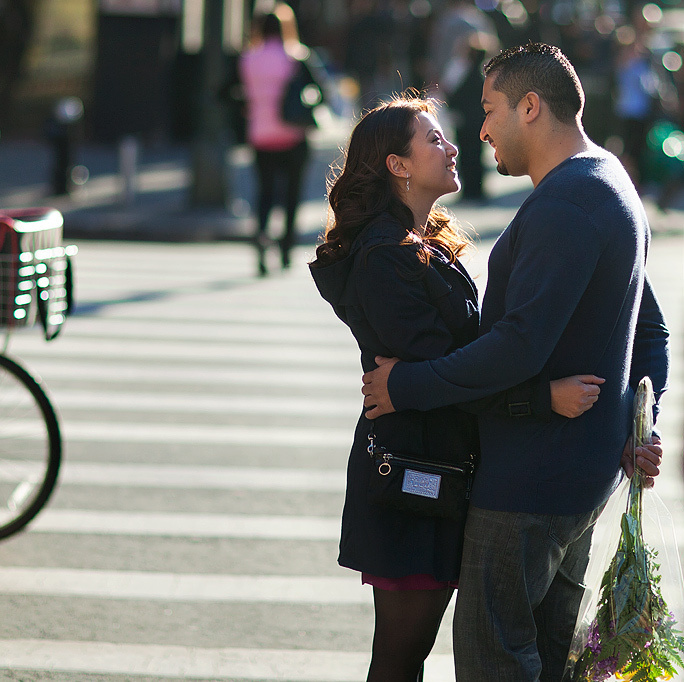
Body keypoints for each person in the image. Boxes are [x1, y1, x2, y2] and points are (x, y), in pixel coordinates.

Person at [360, 44, 669, 681]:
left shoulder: (565, 205)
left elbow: (516, 347)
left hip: (527, 488)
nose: (481, 130)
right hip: (575, 478)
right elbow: (652, 333)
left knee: (492, 662)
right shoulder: (606, 177)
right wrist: (639, 423)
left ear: (530, 107)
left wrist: (408, 385)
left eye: (490, 108)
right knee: (544, 664)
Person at [308, 95, 604, 682]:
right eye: (434, 139)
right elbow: (446, 376)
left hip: (436, 469)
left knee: (406, 652)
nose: (451, 146)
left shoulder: (422, 243)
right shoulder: (383, 259)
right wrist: (542, 397)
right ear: (399, 165)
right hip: (411, 478)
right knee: (400, 654)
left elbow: (454, 368)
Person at [238, 5, 318, 276]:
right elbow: (320, 90)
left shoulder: (248, 58)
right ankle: (285, 249)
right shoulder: (297, 57)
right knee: (292, 195)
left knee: (265, 193)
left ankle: (261, 238)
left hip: (260, 136)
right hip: (294, 135)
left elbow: (226, 92)